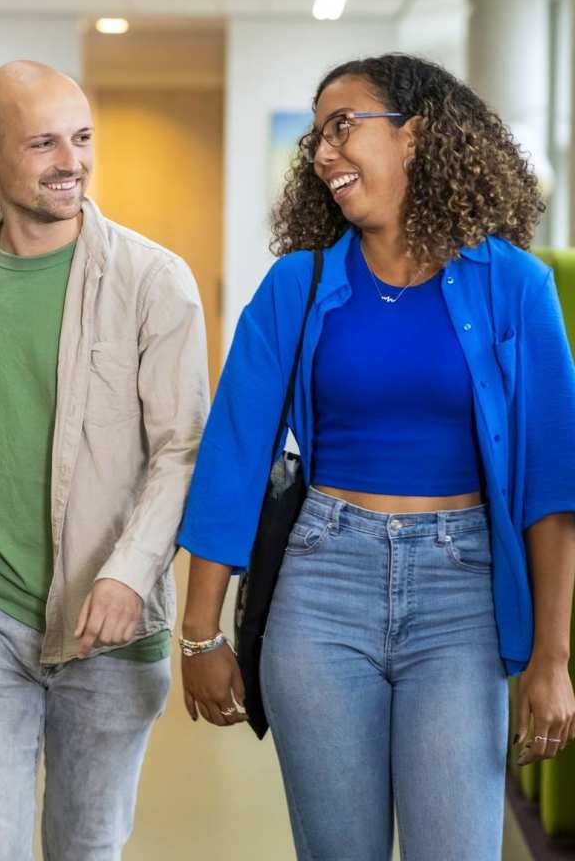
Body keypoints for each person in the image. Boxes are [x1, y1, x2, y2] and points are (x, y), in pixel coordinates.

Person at [178, 53, 575, 860]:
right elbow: (235, 453)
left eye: (343, 127)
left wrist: (551, 656)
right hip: (323, 585)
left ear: (417, 137)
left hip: (461, 599)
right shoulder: (296, 284)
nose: (323, 152)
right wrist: (199, 633)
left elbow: (550, 487)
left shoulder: (516, 286)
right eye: (317, 137)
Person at [0, 60, 208, 860]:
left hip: (108, 621)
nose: (71, 161)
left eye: (81, 137)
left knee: (87, 846)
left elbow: (183, 449)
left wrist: (129, 572)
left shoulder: (153, 280)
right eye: (42, 143)